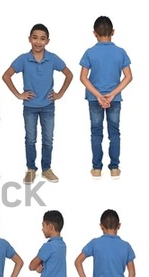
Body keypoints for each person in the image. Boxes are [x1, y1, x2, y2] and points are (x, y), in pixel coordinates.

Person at [2, 23, 73, 185]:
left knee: (48, 138)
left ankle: (46, 168)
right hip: (30, 107)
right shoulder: (23, 59)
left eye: (42, 39)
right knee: (30, 139)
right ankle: (31, 169)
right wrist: (19, 94)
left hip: (48, 105)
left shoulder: (52, 58)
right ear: (29, 39)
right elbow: (6, 76)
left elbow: (69, 74)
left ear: (47, 41)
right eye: (35, 38)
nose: (38, 42)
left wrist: (60, 93)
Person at [79, 16, 132, 179]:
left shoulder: (89, 52)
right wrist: (113, 93)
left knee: (96, 132)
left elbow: (83, 77)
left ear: (94, 33)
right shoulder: (120, 52)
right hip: (114, 100)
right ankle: (114, 169)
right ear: (113, 32)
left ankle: (96, 169)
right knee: (114, 132)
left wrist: (98, 95)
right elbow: (128, 76)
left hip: (95, 100)